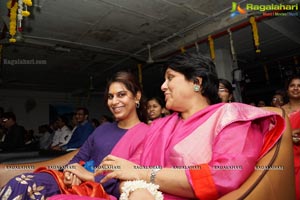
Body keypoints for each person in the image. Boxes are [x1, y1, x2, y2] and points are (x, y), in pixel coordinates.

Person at [52, 53, 285, 200]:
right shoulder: (160, 125)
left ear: (196, 82)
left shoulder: (230, 116)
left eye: (170, 77)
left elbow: (222, 177)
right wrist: (98, 179)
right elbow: (127, 170)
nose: (163, 86)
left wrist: (142, 175)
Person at [0, 71, 148, 199]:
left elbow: (135, 176)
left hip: (100, 188)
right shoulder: (103, 129)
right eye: (110, 96)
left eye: (121, 95)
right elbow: (78, 158)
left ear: (137, 97)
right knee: (19, 182)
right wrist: (72, 172)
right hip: (71, 181)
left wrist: (89, 176)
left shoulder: (147, 134)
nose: (114, 102)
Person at [282, 74, 300, 200]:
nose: (296, 88)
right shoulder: (280, 111)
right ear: (287, 89)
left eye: (299, 86)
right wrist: (289, 135)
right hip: (286, 157)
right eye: (292, 85)